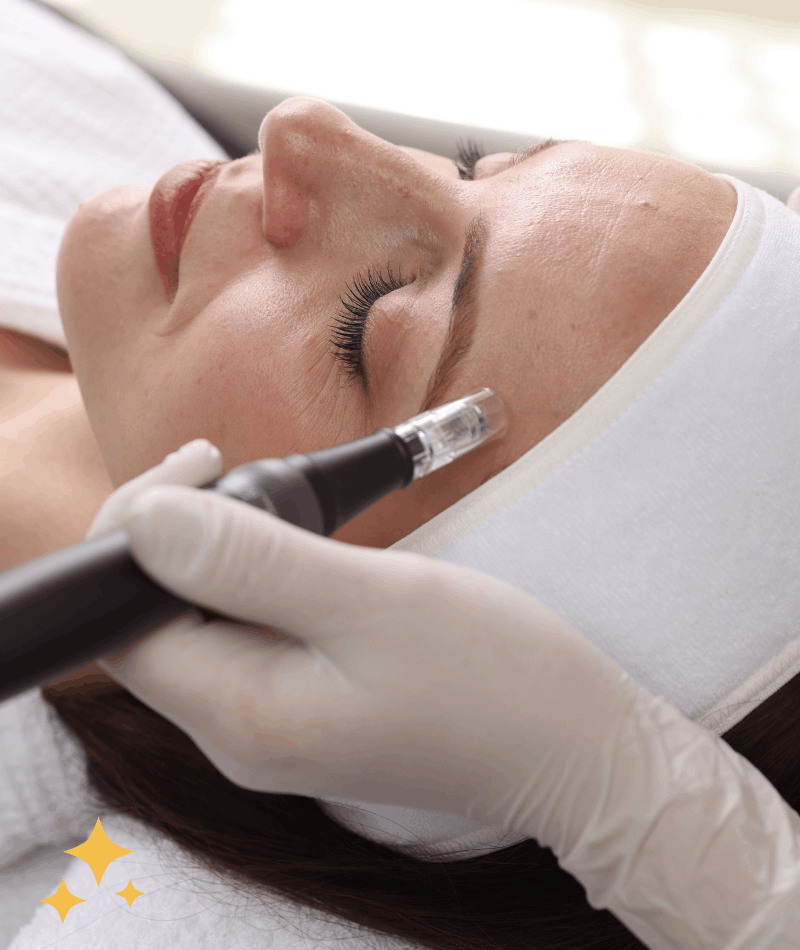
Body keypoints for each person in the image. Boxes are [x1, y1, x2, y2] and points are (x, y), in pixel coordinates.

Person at [2, 0, 800, 946]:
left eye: (368, 330)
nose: (306, 129)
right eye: (474, 166)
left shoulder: (103, 906)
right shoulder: (71, 116)